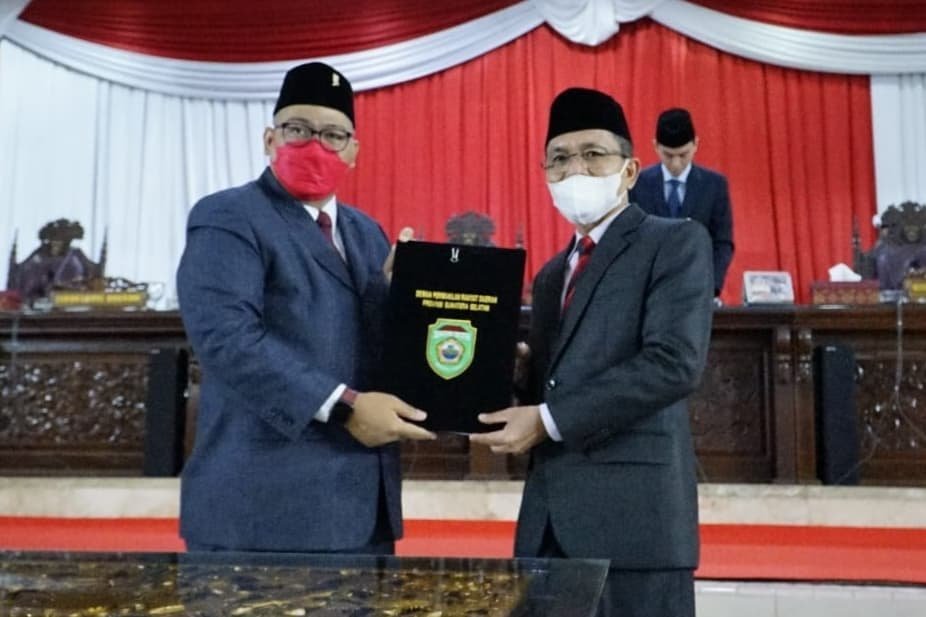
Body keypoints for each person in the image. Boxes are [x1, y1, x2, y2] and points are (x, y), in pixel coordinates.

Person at [471, 88, 714, 617]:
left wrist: (548, 419)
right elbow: (552, 384)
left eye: (592, 154)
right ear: (545, 176)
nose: (575, 169)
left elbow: (673, 363)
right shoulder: (550, 275)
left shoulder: (675, 242)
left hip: (637, 524)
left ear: (630, 170)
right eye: (559, 158)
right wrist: (515, 372)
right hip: (547, 524)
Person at [176, 61, 435, 554]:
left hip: (362, 506)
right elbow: (228, 339)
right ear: (269, 139)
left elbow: (367, 342)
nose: (315, 145)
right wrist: (345, 405)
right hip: (262, 509)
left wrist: (407, 299)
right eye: (298, 129)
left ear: (353, 151)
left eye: (333, 135)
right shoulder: (228, 216)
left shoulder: (367, 232)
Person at [630, 108, 734, 298]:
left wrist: (711, 287)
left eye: (683, 155)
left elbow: (723, 243)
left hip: (698, 288)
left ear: (696, 145)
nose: (676, 164)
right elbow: (630, 238)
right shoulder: (637, 184)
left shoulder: (714, 185)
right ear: (655, 146)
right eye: (668, 155)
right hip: (649, 289)